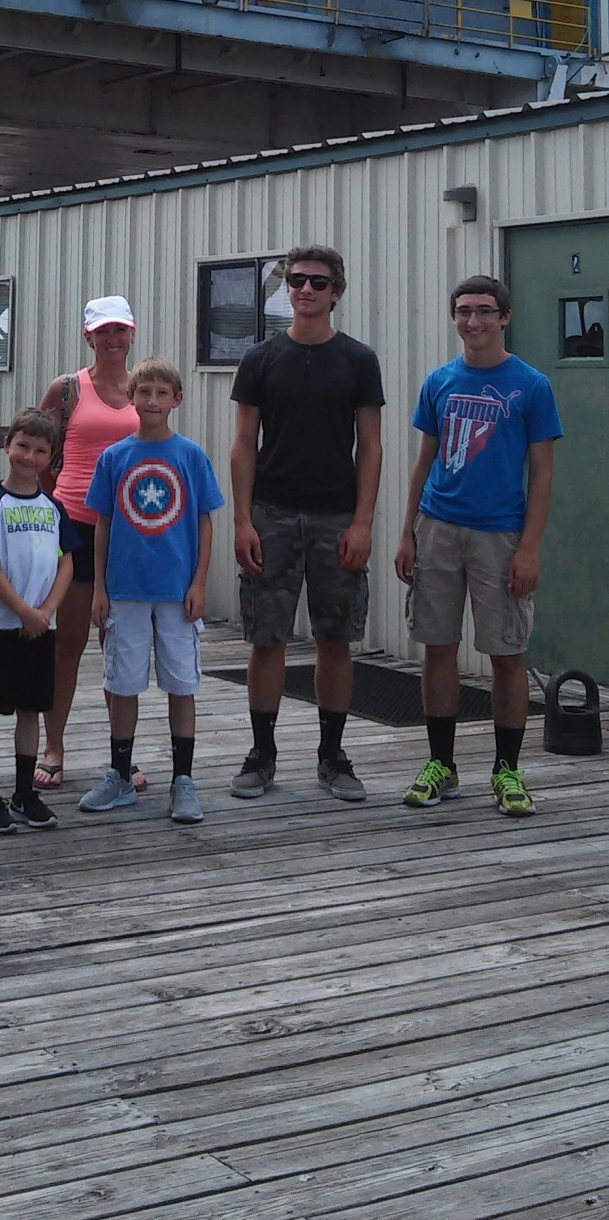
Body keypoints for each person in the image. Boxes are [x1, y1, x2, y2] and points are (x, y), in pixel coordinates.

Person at [395, 275, 562, 819]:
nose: (474, 321)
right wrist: (407, 532)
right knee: (437, 647)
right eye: (464, 311)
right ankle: (441, 764)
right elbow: (424, 462)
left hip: (500, 535)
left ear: (504, 317)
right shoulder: (440, 381)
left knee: (506, 654)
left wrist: (529, 549)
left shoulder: (531, 386)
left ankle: (507, 770)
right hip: (438, 528)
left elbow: (541, 475)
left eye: (485, 311)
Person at [229, 244, 384, 803]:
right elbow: (243, 444)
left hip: (336, 516)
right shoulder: (259, 359)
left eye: (318, 282)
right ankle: (261, 755)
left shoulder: (359, 360)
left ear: (336, 292)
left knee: (335, 639)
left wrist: (362, 522)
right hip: (270, 514)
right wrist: (242, 521)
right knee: (266, 638)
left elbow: (371, 446)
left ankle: (332, 757)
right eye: (297, 280)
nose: (306, 290)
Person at [77, 357, 224, 824]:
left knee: (182, 683)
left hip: (177, 592)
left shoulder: (191, 456)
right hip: (125, 590)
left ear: (177, 400)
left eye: (162, 393)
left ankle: (183, 780)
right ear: (131, 398)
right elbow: (103, 524)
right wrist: (99, 587)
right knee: (122, 684)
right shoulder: (114, 457)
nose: (152, 401)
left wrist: (199, 581)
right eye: (144, 392)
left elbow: (204, 522)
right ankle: (120, 776)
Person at [34, 296, 141, 792]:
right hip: (75, 524)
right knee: (69, 643)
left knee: (120, 648)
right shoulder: (67, 389)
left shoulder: (144, 387)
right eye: (102, 332)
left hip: (131, 530)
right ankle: (53, 746)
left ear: (132, 333)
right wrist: (46, 512)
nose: (112, 340)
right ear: (88, 337)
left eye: (119, 330)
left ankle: (122, 755)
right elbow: (37, 453)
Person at [0, 407, 78, 834]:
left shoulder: (53, 507)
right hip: (1, 626)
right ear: (7, 445)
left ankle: (24, 793)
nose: (30, 457)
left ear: (51, 457)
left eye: (40, 451)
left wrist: (45, 612)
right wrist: (24, 611)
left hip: (42, 628)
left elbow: (66, 564)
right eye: (23, 446)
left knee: (31, 708)